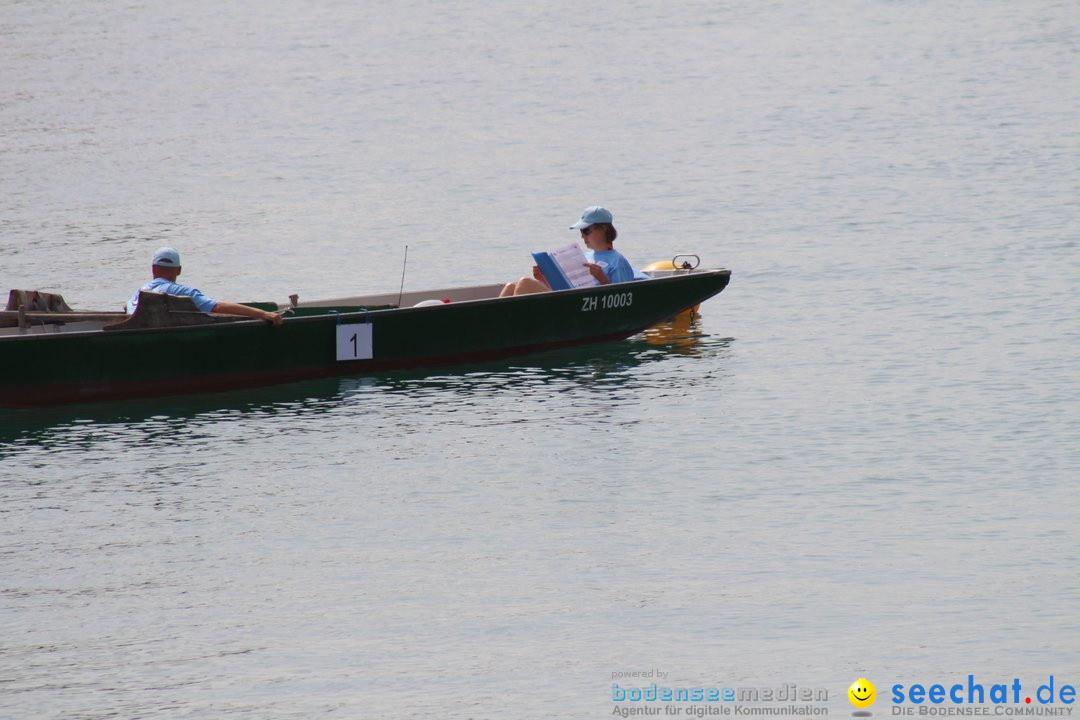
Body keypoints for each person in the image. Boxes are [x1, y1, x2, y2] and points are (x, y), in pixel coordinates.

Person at [126, 247, 284, 326]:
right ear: (179, 270)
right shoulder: (181, 292)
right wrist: (264, 314)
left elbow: (127, 309)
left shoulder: (137, 294)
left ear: (153, 268)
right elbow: (217, 307)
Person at [500, 206, 638, 297]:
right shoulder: (585, 257)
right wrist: (544, 278)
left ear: (604, 229)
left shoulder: (618, 261)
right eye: (581, 231)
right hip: (571, 301)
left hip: (583, 307)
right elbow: (565, 287)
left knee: (525, 283)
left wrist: (603, 280)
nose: (582, 236)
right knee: (511, 286)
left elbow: (623, 298)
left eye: (586, 230)